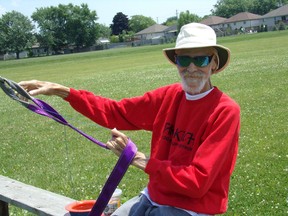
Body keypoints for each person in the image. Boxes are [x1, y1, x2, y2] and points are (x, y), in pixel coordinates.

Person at [19, 23, 240, 216]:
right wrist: (64, 92)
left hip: (191, 209)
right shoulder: (168, 96)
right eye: (184, 59)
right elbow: (114, 112)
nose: (191, 68)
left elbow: (197, 183)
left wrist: (139, 160)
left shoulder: (225, 111)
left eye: (200, 59)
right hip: (152, 197)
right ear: (176, 62)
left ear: (214, 63)